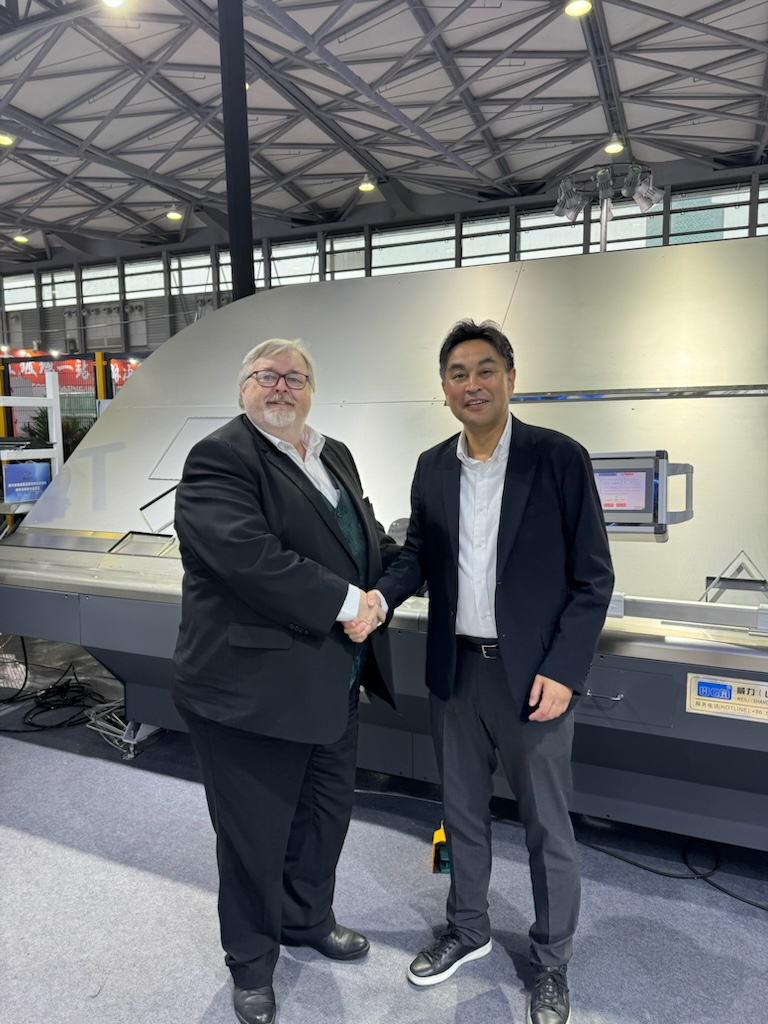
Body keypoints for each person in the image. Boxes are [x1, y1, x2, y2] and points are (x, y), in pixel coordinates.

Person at [346, 320, 614, 1024]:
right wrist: (379, 600)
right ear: (444, 388)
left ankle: (551, 962)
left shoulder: (558, 458)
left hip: (533, 679)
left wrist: (564, 670)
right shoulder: (434, 466)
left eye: (485, 369)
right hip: (457, 671)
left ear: (510, 378)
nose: (473, 384)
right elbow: (417, 556)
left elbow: (593, 579)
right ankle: (467, 930)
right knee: (461, 813)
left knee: (547, 827)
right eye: (458, 373)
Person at [172, 338, 399, 1024]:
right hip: (249, 693)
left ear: (311, 389)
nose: (281, 387)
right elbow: (250, 558)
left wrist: (394, 581)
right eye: (266, 376)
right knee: (253, 837)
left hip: (332, 682)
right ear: (243, 387)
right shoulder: (220, 457)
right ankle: (250, 963)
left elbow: (361, 541)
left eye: (294, 377)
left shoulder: (334, 454)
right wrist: (350, 604)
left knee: (324, 818)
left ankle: (306, 919)